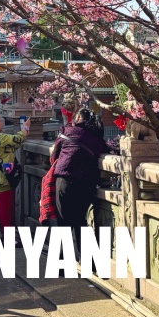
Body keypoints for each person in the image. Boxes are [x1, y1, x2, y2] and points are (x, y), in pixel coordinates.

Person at [51, 108, 110, 253]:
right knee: (79, 220)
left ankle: (62, 264)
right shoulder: (97, 139)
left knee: (63, 223)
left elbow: (54, 155)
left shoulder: (66, 131)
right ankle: (90, 262)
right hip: (86, 184)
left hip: (65, 180)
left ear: (77, 118)